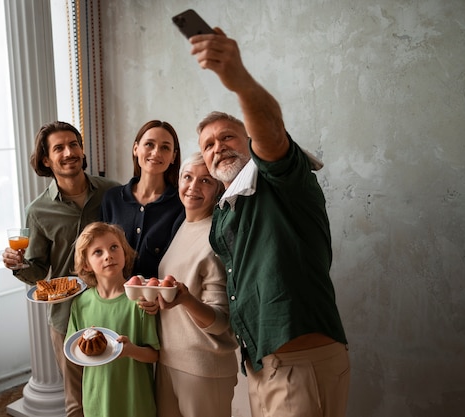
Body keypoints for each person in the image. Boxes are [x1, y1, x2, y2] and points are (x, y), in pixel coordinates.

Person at [187, 28, 350, 417]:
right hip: (263, 368)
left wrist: (238, 79)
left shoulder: (281, 180)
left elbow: (273, 136)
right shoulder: (226, 210)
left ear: (249, 141)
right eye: (207, 145)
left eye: (227, 136)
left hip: (300, 363)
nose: (217, 147)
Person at [2, 121, 119, 417]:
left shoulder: (113, 193)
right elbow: (38, 272)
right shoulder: (38, 210)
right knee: (77, 399)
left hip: (116, 304)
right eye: (59, 148)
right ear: (46, 159)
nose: (69, 152)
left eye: (74, 144)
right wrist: (19, 265)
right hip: (67, 313)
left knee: (118, 387)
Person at [154, 152, 238, 417]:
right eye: (188, 177)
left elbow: (222, 321)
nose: (193, 187)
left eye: (205, 181)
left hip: (203, 366)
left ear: (217, 190)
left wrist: (185, 299)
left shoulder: (217, 237)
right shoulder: (183, 225)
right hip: (168, 358)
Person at [66, 222, 159, 417]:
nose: (108, 255)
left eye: (114, 247)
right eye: (97, 252)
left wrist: (130, 350)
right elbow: (74, 353)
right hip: (97, 401)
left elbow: (154, 355)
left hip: (134, 402)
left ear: (124, 253)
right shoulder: (81, 303)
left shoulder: (140, 301)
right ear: (86, 264)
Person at [101, 120, 184, 278]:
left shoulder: (180, 204)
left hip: (158, 298)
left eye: (165, 147)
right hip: (115, 296)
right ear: (135, 149)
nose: (156, 153)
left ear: (173, 156)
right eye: (149, 144)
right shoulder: (111, 199)